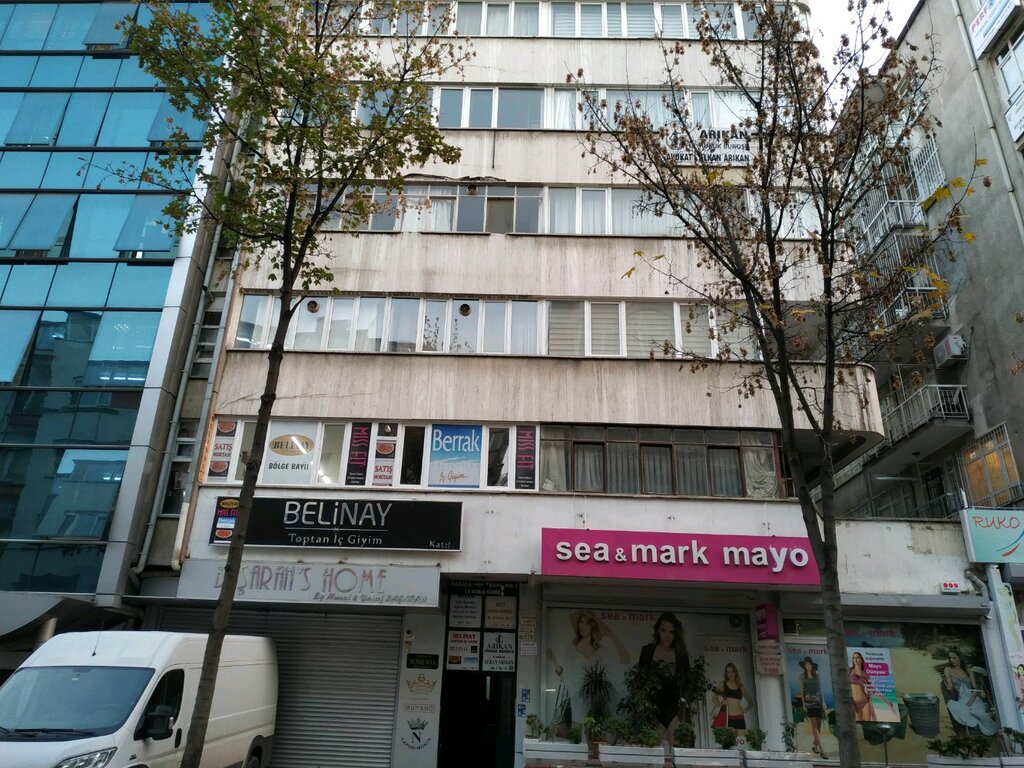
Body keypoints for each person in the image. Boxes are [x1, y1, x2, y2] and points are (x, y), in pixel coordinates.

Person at [547, 609, 630, 726]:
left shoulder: (600, 650)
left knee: (595, 729)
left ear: (592, 626)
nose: (583, 626)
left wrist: (611, 635)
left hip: (595, 702)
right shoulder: (571, 648)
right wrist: (554, 661)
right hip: (577, 700)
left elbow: (625, 659)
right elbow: (568, 677)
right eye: (581, 622)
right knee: (579, 730)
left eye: (587, 623)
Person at [638, 612, 692, 747]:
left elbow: (688, 681)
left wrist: (684, 702)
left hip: (674, 706)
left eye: (671, 632)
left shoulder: (681, 655)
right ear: (657, 631)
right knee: (652, 747)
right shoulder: (647, 651)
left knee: (677, 746)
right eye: (663, 630)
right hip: (653, 706)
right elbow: (639, 679)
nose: (667, 635)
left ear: (675, 634)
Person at [943, 648, 999, 736]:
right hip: (962, 699)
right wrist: (947, 685)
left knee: (974, 708)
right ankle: (986, 717)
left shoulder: (967, 669)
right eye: (950, 658)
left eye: (954, 658)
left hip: (973, 698)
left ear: (959, 657)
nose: (951, 660)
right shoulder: (948, 669)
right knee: (955, 706)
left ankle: (987, 720)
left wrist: (972, 699)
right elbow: (950, 687)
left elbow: (975, 688)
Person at [711, 662, 754, 736]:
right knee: (728, 741)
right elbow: (714, 699)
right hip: (727, 720)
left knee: (741, 741)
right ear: (726, 674)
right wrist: (721, 705)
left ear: (735, 672)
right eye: (728, 672)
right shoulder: (722, 684)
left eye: (732, 671)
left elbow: (751, 703)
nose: (730, 674)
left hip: (740, 719)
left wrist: (743, 711)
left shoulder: (740, 686)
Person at [799, 656, 827, 759]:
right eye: (806, 664)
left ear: (812, 665)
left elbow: (820, 689)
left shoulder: (817, 676)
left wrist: (823, 701)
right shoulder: (803, 677)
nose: (808, 666)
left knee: (818, 726)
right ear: (804, 666)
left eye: (809, 664)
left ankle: (814, 745)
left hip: (818, 702)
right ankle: (822, 749)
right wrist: (803, 703)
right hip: (809, 702)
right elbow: (802, 691)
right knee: (814, 726)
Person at [848, 652, 877, 722]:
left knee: (867, 724)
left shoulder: (865, 674)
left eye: (857, 657)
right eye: (854, 658)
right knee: (858, 725)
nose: (855, 660)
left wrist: (887, 702)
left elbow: (872, 690)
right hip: (854, 702)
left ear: (861, 660)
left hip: (865, 701)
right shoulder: (849, 671)